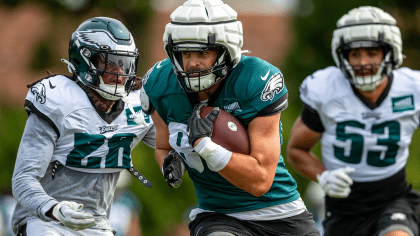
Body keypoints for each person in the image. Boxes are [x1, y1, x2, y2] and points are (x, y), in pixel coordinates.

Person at [140, 0, 320, 235]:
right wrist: (170, 163)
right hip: (219, 214)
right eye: (185, 52)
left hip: (279, 211)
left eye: (203, 52)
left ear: (227, 50)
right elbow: (163, 146)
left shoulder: (255, 80)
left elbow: (261, 181)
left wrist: (205, 146)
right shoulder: (160, 85)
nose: (192, 63)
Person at [11, 17, 155, 236]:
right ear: (85, 60)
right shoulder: (58, 100)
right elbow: (23, 178)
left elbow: (174, 145)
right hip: (44, 220)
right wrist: (54, 209)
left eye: (124, 63)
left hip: (96, 224)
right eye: (109, 62)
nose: (119, 72)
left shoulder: (136, 104)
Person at [286, 6, 420, 236]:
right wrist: (323, 175)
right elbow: (296, 150)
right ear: (342, 55)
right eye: (355, 54)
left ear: (390, 52)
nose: (363, 62)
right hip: (343, 206)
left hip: (393, 197)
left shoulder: (411, 88)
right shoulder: (327, 90)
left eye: (372, 53)